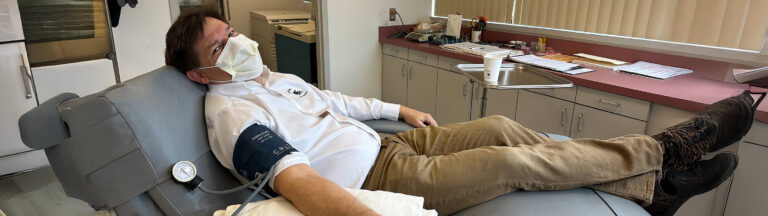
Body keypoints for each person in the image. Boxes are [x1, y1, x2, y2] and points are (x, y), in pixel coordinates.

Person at [164, 9, 755, 216]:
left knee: (498, 124)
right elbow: (302, 186)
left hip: (395, 144)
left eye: (232, 32)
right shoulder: (230, 114)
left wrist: (397, 106)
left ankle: (654, 191)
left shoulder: (274, 77)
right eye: (220, 47)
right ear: (198, 73)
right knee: (507, 159)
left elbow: (339, 102)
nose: (237, 45)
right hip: (380, 177)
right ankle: (664, 156)